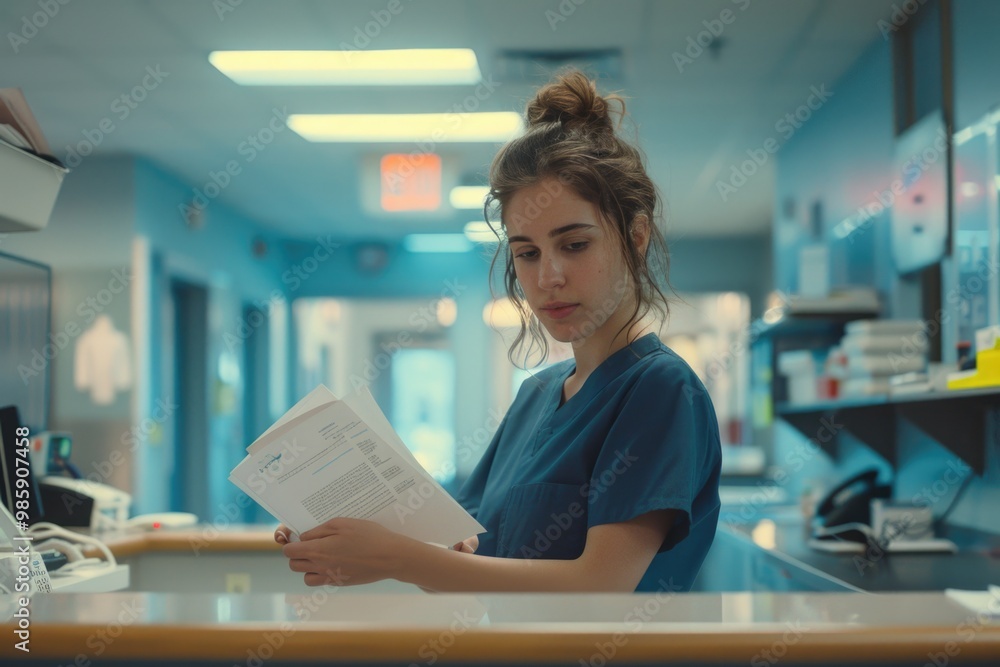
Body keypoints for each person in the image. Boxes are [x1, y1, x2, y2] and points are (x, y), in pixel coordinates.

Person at [277, 69, 721, 593]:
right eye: (527, 253)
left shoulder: (660, 390)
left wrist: (395, 558)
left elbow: (599, 586)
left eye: (575, 244)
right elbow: (469, 551)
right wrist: (349, 533)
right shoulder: (537, 396)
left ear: (637, 237)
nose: (548, 277)